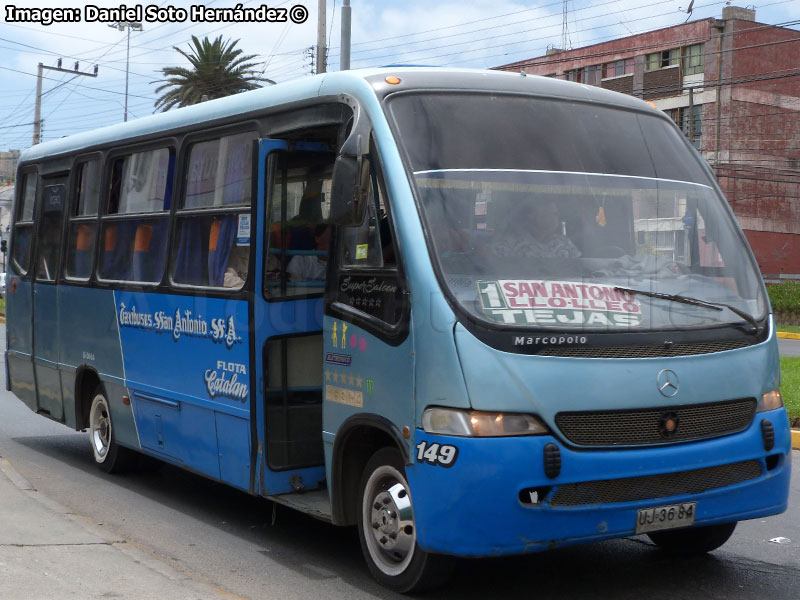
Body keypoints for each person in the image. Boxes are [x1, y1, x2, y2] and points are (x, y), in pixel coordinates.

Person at [487, 200, 580, 258]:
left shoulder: (565, 243)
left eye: (556, 214)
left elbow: (578, 271)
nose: (555, 218)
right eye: (550, 214)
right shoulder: (509, 245)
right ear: (532, 216)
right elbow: (491, 270)